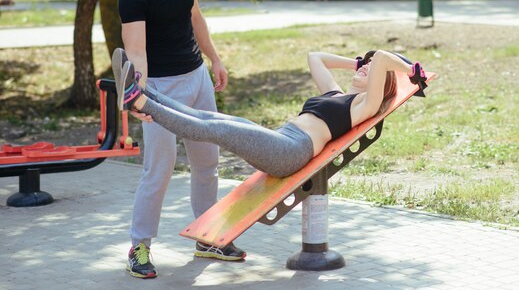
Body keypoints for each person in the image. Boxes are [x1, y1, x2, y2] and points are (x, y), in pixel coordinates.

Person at [117, 0, 243, 280]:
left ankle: (207, 237)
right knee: (159, 168)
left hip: (196, 77)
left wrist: (215, 58)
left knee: (207, 162)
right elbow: (135, 52)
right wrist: (138, 93)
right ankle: (139, 245)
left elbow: (195, 17)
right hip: (159, 87)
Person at [112, 48, 428, 179]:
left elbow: (386, 58)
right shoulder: (336, 94)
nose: (367, 65)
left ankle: (138, 102)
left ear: (379, 83)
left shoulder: (364, 105)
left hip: (291, 152)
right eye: (366, 63)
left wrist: (409, 70)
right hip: (281, 139)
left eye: (371, 68)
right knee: (211, 118)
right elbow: (314, 56)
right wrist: (356, 63)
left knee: (215, 130)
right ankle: (144, 91)